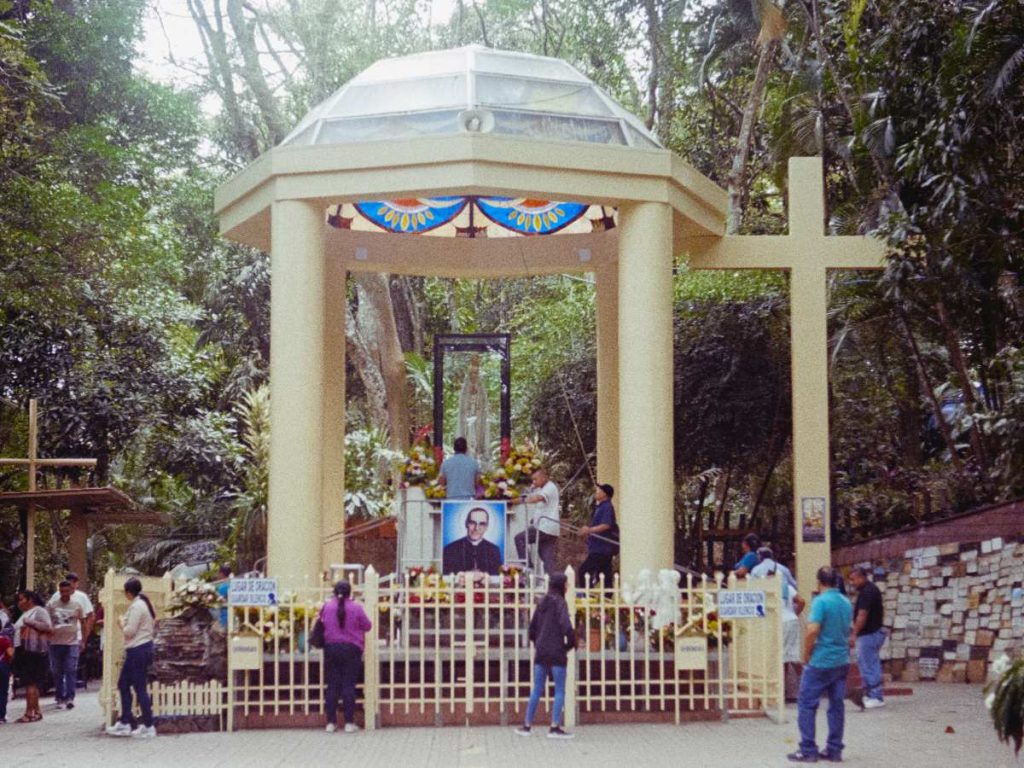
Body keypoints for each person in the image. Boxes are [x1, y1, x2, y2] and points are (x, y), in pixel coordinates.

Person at [788, 566, 853, 764]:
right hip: (841, 660)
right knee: (836, 705)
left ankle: (808, 749)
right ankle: (834, 749)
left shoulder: (820, 601)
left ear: (819, 582)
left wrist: (806, 654)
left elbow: (812, 630)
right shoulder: (846, 602)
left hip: (821, 661)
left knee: (807, 704)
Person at [516, 572, 576, 739]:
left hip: (541, 652)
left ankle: (526, 726)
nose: (567, 586)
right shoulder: (560, 603)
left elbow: (532, 629)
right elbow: (566, 627)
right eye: (566, 583)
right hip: (557, 651)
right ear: (561, 585)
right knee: (559, 690)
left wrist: (538, 643)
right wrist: (570, 644)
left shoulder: (541, 602)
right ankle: (554, 727)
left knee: (537, 688)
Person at [751, 548, 806, 701]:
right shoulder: (786, 585)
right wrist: (794, 613)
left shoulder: (758, 574)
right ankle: (801, 687)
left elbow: (752, 595)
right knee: (790, 658)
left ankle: (780, 691)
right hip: (791, 621)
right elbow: (801, 601)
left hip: (776, 622)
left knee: (779, 658)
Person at [106, 577, 157, 738]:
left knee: (139, 687)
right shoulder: (143, 604)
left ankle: (148, 725)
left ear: (128, 592)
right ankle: (125, 722)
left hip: (138, 650)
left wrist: (121, 622)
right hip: (140, 649)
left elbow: (130, 631)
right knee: (124, 684)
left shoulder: (137, 606)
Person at [320, 580, 373, 733]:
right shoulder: (356, 607)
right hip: (352, 649)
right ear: (350, 593)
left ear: (334, 592)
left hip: (331, 648)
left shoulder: (327, 606)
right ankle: (349, 722)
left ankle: (331, 722)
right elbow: (368, 626)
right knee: (348, 685)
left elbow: (322, 622)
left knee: (332, 685)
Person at [849, 566, 887, 709]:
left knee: (869, 665)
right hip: (871, 633)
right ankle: (871, 694)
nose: (852, 583)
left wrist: (854, 633)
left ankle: (876, 696)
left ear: (861, 577)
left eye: (853, 579)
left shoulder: (867, 592)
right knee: (868, 664)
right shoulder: (869, 589)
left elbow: (862, 615)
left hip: (869, 634)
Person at [47, 579, 87, 710]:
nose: (64, 594)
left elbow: (83, 622)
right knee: (57, 671)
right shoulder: (52, 605)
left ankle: (70, 697)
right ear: (59, 591)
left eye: (67, 591)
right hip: (55, 643)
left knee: (70, 669)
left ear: (71, 591)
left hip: (72, 643)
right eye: (62, 591)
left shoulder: (77, 605)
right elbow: (46, 621)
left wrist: (83, 640)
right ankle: (60, 697)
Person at [12, 590, 52, 723]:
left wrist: (29, 622)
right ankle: (37, 711)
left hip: (33, 651)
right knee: (31, 682)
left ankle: (29, 712)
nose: (19, 603)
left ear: (30, 599)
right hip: (23, 650)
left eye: (22, 599)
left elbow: (47, 627)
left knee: (30, 682)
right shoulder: (25, 613)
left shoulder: (39, 611)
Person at [514, 467, 560, 576]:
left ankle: (528, 567)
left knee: (519, 538)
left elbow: (537, 499)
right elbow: (540, 504)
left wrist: (519, 501)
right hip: (549, 529)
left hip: (544, 527)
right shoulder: (542, 488)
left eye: (536, 479)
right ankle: (554, 581)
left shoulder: (550, 487)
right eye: (533, 480)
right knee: (546, 557)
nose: (534, 482)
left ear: (544, 477)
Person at [577, 483, 618, 589]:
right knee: (604, 575)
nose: (596, 492)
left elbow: (606, 525)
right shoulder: (600, 507)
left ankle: (588, 594)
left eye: (598, 491)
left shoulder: (607, 507)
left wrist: (589, 530)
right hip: (598, 547)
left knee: (584, 571)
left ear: (605, 494)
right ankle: (606, 595)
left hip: (601, 548)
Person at [442, 506, 502, 575]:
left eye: (482, 524)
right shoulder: (450, 549)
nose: (476, 528)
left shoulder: (494, 550)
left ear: (486, 527)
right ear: (466, 524)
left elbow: (496, 577)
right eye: (472, 523)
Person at [0, 606, 12, 724]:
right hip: (2, 666)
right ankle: (1, 715)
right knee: (3, 691)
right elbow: (9, 653)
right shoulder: (4, 640)